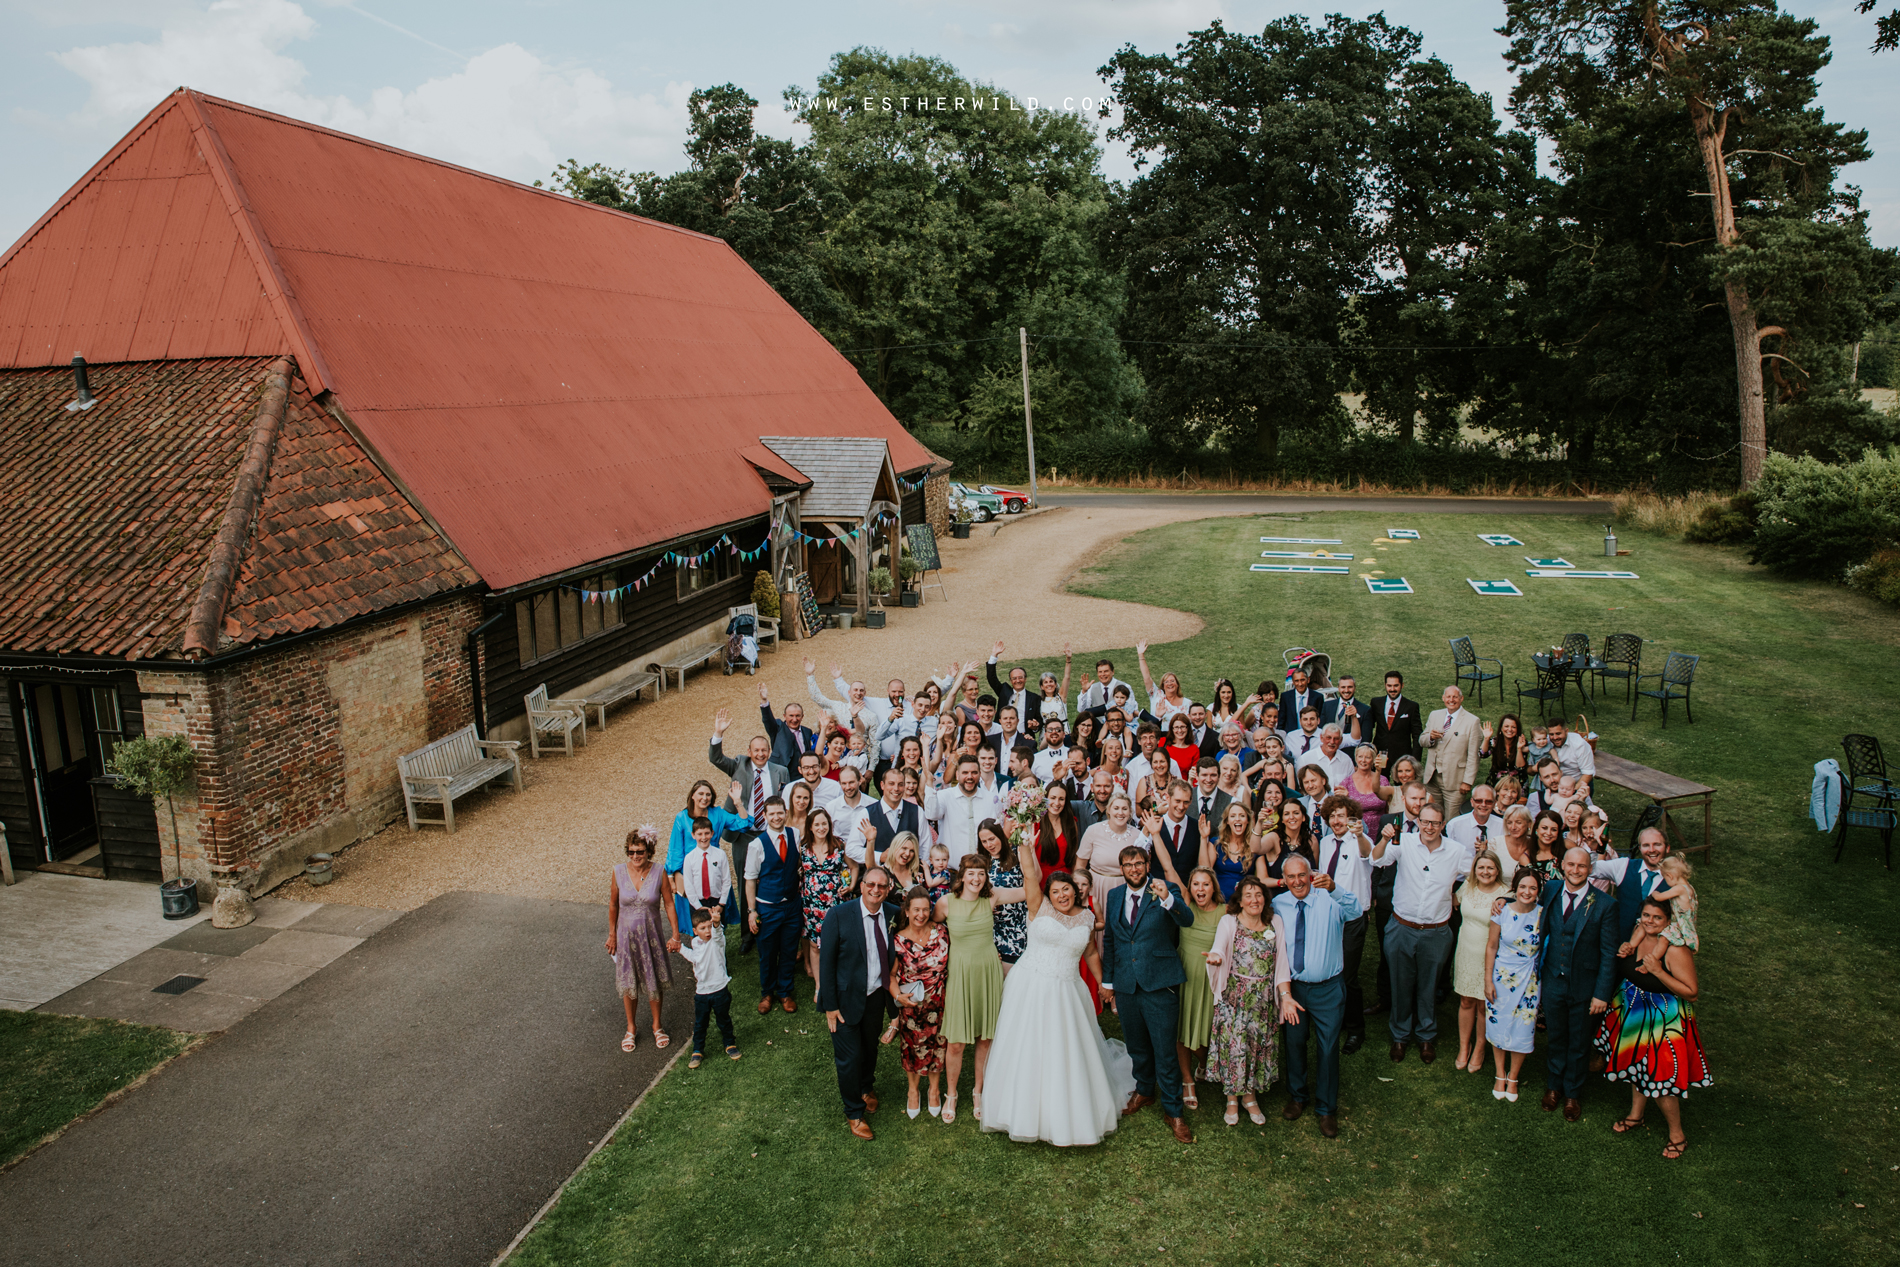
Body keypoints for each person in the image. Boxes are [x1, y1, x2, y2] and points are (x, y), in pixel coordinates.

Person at [980, 846, 1136, 1146]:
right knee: (1026, 1045)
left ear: (1076, 892)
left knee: (1065, 1048)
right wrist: (1024, 843)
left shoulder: (1088, 918)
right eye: (1056, 891)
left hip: (1067, 989)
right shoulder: (1039, 907)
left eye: (1066, 889)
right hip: (1030, 984)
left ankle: (1066, 1110)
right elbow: (1029, 874)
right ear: (1048, 894)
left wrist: (1105, 983)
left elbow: (1090, 951)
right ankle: (1020, 1110)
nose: (1062, 895)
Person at [1596, 897, 1711, 1158]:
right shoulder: (1639, 936)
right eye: (1646, 915)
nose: (1649, 921)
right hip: (1633, 1008)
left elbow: (1692, 993)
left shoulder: (1674, 950)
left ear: (1669, 921)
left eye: (1657, 918)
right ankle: (1636, 1115)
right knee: (1637, 1065)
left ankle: (1677, 1135)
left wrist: (1658, 972)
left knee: (1661, 1075)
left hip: (1663, 1018)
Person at [1099, 844, 1197, 1144]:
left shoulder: (1164, 888)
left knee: (1164, 1050)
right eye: (1128, 865)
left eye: (1138, 863)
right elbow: (1112, 940)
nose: (1134, 869)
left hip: (1159, 982)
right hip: (1127, 985)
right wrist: (1109, 982)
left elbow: (1187, 919)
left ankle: (1173, 1110)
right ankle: (1144, 1091)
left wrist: (1168, 899)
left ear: (1147, 863)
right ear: (1121, 869)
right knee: (1137, 1046)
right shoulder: (1115, 895)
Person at [1370, 805, 1471, 1063]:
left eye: (1435, 823)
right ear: (1419, 821)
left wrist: (1458, 896)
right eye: (1425, 822)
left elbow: (1478, 875)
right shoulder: (1403, 840)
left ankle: (1426, 1035)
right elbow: (1377, 859)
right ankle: (1400, 1036)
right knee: (1400, 984)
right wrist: (1382, 839)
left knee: (1429, 985)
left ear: (1442, 824)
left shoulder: (1457, 851)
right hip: (1402, 926)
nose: (1429, 827)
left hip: (1436, 931)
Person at [1271, 854, 1358, 1138]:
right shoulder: (1278, 904)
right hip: (1294, 990)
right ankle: (1297, 1097)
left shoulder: (1330, 899)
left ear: (1311, 875)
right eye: (1291, 877)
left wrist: (1334, 888)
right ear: (1283, 880)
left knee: (1328, 1047)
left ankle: (1326, 1109)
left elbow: (1356, 910)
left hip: (1328, 988)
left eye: (1302, 875)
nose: (1297, 881)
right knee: (1294, 1044)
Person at [936, 853, 1022, 1124]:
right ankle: (951, 1094)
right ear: (961, 876)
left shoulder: (992, 897)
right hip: (960, 972)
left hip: (987, 971)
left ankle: (979, 1091)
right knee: (957, 1041)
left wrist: (1028, 849)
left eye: (981, 873)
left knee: (986, 1038)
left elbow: (1031, 889)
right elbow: (932, 929)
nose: (976, 878)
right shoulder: (945, 903)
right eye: (971, 873)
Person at [817, 865, 901, 1140]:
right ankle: (854, 1112)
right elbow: (826, 962)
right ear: (861, 885)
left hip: (876, 996)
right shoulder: (839, 915)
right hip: (844, 1000)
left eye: (882, 886)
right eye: (871, 885)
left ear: (888, 889)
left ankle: (866, 1087)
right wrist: (829, 1005)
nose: (876, 890)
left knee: (869, 1049)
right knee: (849, 1058)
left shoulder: (893, 915)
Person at [1538, 847, 1620, 1121]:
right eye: (1571, 864)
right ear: (1562, 865)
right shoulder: (1550, 889)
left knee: (1579, 1040)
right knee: (1557, 1035)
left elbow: (1609, 953)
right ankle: (1553, 1086)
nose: (1575, 870)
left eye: (1581, 866)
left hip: (1585, 986)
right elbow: (1524, 899)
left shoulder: (1605, 904)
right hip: (1552, 979)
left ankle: (1572, 1092)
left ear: (1590, 870)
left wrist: (1601, 994)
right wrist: (1503, 899)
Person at [1204, 874, 1282, 1127]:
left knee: (1255, 1045)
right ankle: (1232, 1099)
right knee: (1235, 1047)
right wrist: (1216, 958)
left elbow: (1283, 962)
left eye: (1258, 894)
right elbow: (1219, 947)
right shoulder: (1229, 921)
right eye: (1248, 895)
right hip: (1235, 998)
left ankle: (1250, 1096)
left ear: (1265, 899)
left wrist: (1284, 995)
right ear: (1240, 900)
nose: (1254, 899)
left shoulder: (1275, 923)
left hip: (1263, 999)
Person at [607, 826, 680, 1052]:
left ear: (649, 851)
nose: (635, 856)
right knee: (629, 981)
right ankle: (631, 1027)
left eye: (640, 851)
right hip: (626, 937)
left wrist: (675, 934)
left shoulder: (659, 872)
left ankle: (657, 1025)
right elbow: (612, 904)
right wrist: (611, 935)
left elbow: (668, 903)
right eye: (631, 852)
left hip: (652, 936)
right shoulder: (618, 872)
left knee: (653, 979)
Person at [1313, 795, 1375, 1054]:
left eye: (1341, 815)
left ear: (1351, 818)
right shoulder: (1326, 842)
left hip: (1352, 918)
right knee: (1330, 971)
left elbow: (1367, 853)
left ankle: (1355, 1028)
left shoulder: (1361, 840)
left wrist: (1360, 834)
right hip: (1328, 916)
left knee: (1348, 975)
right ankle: (1333, 1020)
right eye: (1332, 816)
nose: (1336, 821)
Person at [886, 886, 950, 1118]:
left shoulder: (943, 932)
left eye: (925, 909)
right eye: (916, 910)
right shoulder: (898, 940)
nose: (921, 914)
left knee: (938, 1048)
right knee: (912, 1048)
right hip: (913, 1005)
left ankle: (934, 1090)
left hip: (941, 1003)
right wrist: (897, 996)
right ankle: (913, 1091)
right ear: (907, 910)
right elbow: (891, 976)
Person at [1483, 866, 1545, 1102]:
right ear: (1514, 888)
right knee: (1499, 1023)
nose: (1527, 892)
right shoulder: (1502, 911)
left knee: (1523, 1026)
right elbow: (1491, 946)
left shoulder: (1543, 913)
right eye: (1522, 887)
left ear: (1538, 891)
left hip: (1529, 980)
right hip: (1501, 977)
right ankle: (1500, 1073)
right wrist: (1488, 980)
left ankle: (1514, 1076)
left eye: (1532, 888)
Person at [743, 797, 802, 1015]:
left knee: (788, 949)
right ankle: (767, 993)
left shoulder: (794, 834)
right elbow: (750, 879)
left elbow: (795, 863)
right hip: (768, 907)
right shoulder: (756, 845)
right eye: (772, 814)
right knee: (767, 952)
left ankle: (785, 991)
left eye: (780, 813)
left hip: (792, 905)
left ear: (785, 813)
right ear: (765, 816)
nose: (777, 817)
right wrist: (752, 911)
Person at [1453, 849, 1509, 1073]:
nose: (1485, 872)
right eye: (1481, 867)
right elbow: (1453, 902)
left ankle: (1480, 1047)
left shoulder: (1505, 894)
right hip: (1465, 951)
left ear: (1497, 870)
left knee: (1484, 1005)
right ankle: (1464, 1047)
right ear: (1475, 869)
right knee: (1466, 1000)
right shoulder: (1468, 886)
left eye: (1490, 868)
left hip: (1489, 956)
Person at [1174, 867, 1226, 1110]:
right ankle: (1187, 1081)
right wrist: (1154, 834)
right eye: (1195, 884)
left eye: (1205, 884)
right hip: (1185, 975)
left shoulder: (1225, 913)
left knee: (1206, 1030)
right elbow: (1167, 868)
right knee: (1182, 1027)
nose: (1200, 889)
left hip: (1211, 980)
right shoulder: (1186, 904)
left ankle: (1205, 1064)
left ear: (1213, 887)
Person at [667, 780, 748, 936]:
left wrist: (737, 802)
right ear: (692, 796)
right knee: (696, 921)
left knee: (717, 919)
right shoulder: (682, 818)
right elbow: (675, 848)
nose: (704, 798)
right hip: (690, 872)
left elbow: (743, 823)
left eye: (708, 794)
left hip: (713, 867)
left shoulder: (718, 814)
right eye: (701, 794)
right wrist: (672, 875)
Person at [800, 808, 856, 999]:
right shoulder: (803, 848)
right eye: (817, 824)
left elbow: (854, 866)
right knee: (816, 946)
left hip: (836, 904)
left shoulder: (839, 845)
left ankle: (839, 981)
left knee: (837, 943)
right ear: (810, 827)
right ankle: (819, 985)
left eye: (824, 824)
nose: (821, 827)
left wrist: (850, 885)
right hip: (812, 905)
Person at [679, 907, 740, 1069]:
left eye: (709, 926)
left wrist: (717, 923)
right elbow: (694, 958)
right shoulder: (696, 944)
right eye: (702, 928)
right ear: (695, 931)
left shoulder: (717, 940)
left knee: (723, 1019)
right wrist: (680, 948)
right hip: (702, 993)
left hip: (720, 990)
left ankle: (730, 1043)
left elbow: (718, 933)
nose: (707, 931)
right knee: (700, 1023)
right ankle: (698, 1049)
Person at [1077, 792, 1147, 922]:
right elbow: (1080, 866)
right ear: (1109, 810)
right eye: (1116, 808)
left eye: (1124, 809)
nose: (1120, 813)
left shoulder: (1138, 836)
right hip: (1096, 889)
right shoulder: (1093, 830)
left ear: (1130, 811)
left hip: (1125, 890)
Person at [1421, 686, 1482, 824]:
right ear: (1443, 698)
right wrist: (1430, 737)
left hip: (1456, 781)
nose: (1451, 700)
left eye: (1455, 697)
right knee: (1432, 816)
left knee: (1451, 821)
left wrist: (1467, 781)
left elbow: (1474, 755)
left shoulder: (1472, 721)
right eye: (1448, 697)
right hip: (1432, 778)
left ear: (1461, 699)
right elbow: (1422, 740)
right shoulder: (1434, 715)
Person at [677, 817, 733, 935]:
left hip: (716, 902)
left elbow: (726, 880)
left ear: (712, 833)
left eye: (707, 833)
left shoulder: (720, 854)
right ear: (693, 835)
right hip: (697, 903)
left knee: (717, 933)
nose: (703, 837)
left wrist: (721, 904)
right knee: (701, 934)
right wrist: (698, 907)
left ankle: (719, 954)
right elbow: (688, 884)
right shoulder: (690, 858)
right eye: (700, 834)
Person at [1369, 670, 1423, 764]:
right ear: (1385, 685)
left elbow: (1417, 735)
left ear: (1402, 685)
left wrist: (1415, 760)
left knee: (1402, 778)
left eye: (1396, 685)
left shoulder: (1411, 707)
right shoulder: (1376, 703)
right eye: (1389, 686)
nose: (1392, 689)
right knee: (1380, 778)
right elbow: (1369, 725)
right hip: (1381, 754)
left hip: (1402, 756)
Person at [1340, 742, 1390, 832]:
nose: (1363, 760)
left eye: (1367, 757)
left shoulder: (1383, 781)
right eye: (1360, 756)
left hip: (1381, 830)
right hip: (1357, 831)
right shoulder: (1346, 783)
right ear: (1355, 758)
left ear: (1373, 759)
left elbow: (1389, 808)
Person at [1653, 854, 1699, 950]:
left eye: (1665, 878)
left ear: (1670, 876)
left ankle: (1653, 959)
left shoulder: (1679, 889)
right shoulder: (1690, 888)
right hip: (1689, 928)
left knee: (1663, 939)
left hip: (1680, 928)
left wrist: (1654, 892)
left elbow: (1659, 897)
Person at [1446, 785, 1505, 851]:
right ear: (1472, 802)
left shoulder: (1502, 826)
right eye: (1479, 801)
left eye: (1488, 801)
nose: (1483, 805)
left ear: (1494, 803)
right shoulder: (1454, 825)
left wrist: (1489, 850)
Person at [1487, 713, 1529, 787]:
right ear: (1501, 728)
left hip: (1517, 783)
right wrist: (1486, 738)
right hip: (1496, 782)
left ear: (1517, 729)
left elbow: (1520, 768)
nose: (1509, 729)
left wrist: (1519, 749)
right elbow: (1482, 754)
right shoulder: (1495, 741)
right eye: (1506, 726)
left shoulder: (1522, 743)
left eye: (1513, 727)